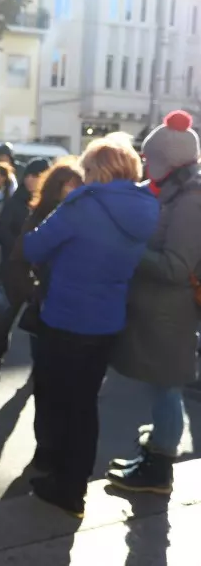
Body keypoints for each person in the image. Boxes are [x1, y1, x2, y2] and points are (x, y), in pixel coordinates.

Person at [22, 133, 158, 518]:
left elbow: (34, 247)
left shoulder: (83, 204)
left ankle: (63, 485)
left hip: (65, 317)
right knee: (84, 406)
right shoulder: (146, 207)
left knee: (59, 402)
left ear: (95, 170)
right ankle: (74, 483)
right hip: (106, 321)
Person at [107, 110, 201, 494]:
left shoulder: (192, 199)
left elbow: (177, 266)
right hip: (162, 313)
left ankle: (159, 468)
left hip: (172, 315)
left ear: (168, 160)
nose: (145, 165)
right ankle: (154, 454)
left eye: (150, 158)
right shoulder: (178, 190)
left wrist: (128, 249)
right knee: (161, 386)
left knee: (166, 388)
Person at [1, 157, 84, 471]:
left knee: (68, 387)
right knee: (46, 384)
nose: (74, 191)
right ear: (55, 188)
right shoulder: (39, 216)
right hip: (47, 307)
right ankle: (44, 449)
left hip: (74, 309)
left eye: (78, 185)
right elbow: (20, 258)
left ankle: (59, 448)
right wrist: (35, 291)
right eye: (68, 186)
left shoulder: (84, 215)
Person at [0, 157, 50, 383]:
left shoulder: (47, 204)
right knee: (4, 322)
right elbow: (3, 233)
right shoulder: (15, 203)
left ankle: (38, 369)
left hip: (38, 274)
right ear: (29, 177)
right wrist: (25, 249)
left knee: (38, 326)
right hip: (14, 271)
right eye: (37, 177)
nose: (39, 182)